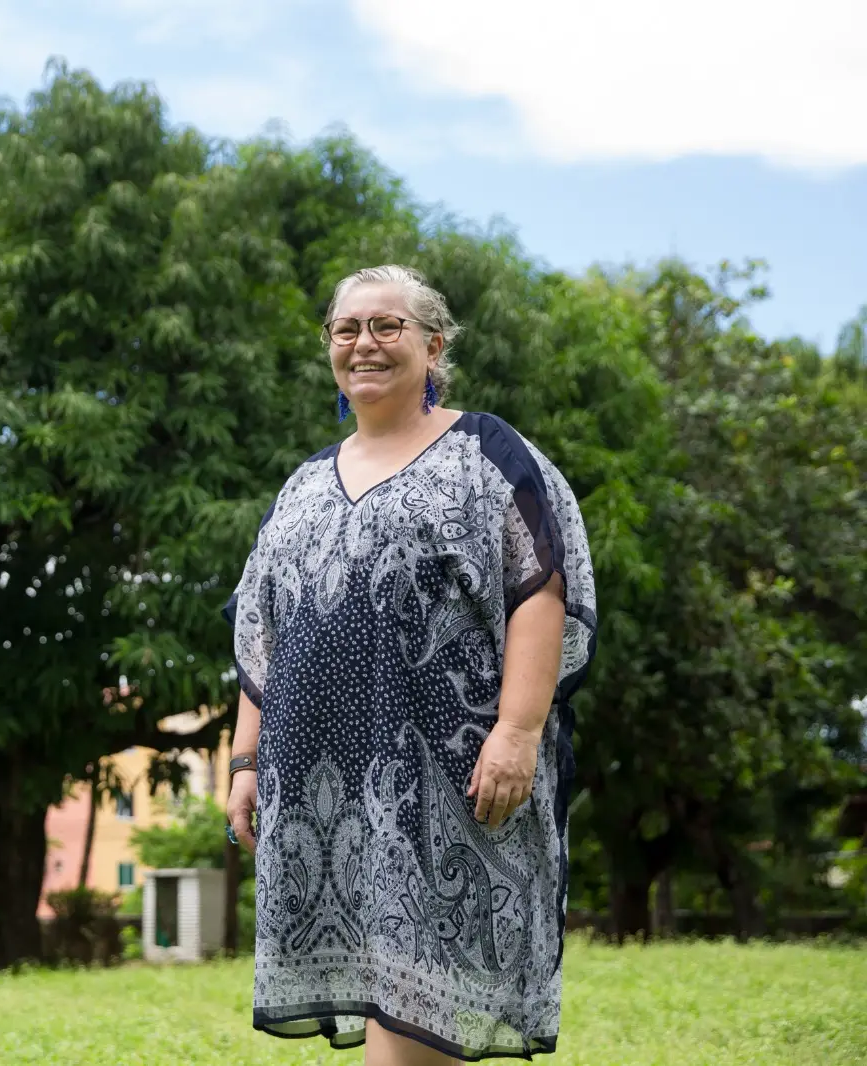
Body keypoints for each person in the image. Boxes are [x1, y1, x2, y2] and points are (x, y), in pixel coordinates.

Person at [223, 265, 597, 1064]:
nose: (364, 343)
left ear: (434, 346)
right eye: (346, 329)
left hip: (449, 783)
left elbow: (540, 584)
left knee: (424, 1012)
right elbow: (261, 633)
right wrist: (245, 762)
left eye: (387, 326)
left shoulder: (486, 451)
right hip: (324, 795)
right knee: (392, 1012)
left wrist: (519, 731)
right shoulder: (300, 488)